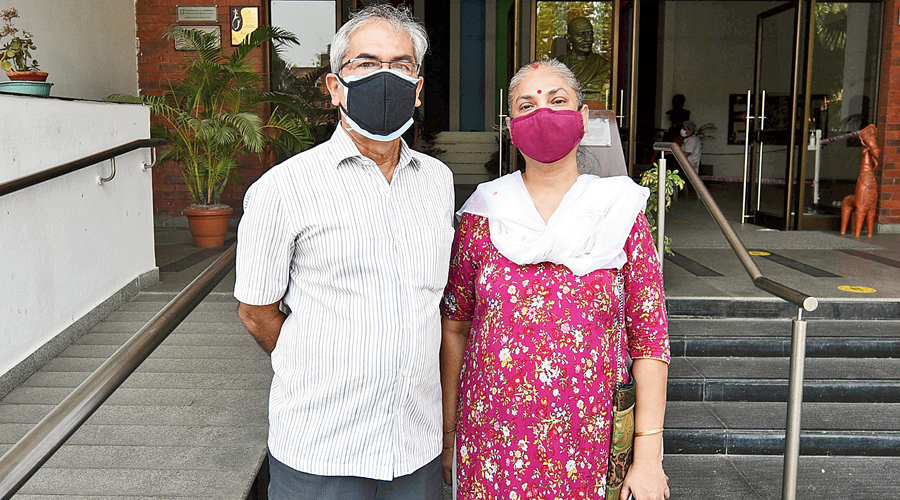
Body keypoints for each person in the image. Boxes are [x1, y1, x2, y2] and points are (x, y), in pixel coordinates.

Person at [234, 5, 453, 499]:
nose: (385, 77)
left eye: (401, 66)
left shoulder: (438, 184)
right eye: (366, 63)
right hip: (322, 450)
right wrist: (318, 360)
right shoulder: (283, 188)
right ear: (335, 87)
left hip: (414, 448)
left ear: (417, 90)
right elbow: (255, 312)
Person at [440, 59, 670, 500]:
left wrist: (648, 455)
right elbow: (455, 327)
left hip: (588, 449)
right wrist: (449, 437)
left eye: (557, 100)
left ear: (582, 117)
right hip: (492, 448)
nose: (542, 114)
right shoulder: (482, 215)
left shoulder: (619, 214)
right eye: (527, 105)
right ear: (511, 127)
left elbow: (649, 342)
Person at [556, 17, 611, 104]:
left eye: (590, 34)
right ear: (569, 39)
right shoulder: (558, 65)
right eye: (581, 35)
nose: (588, 39)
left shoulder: (602, 65)